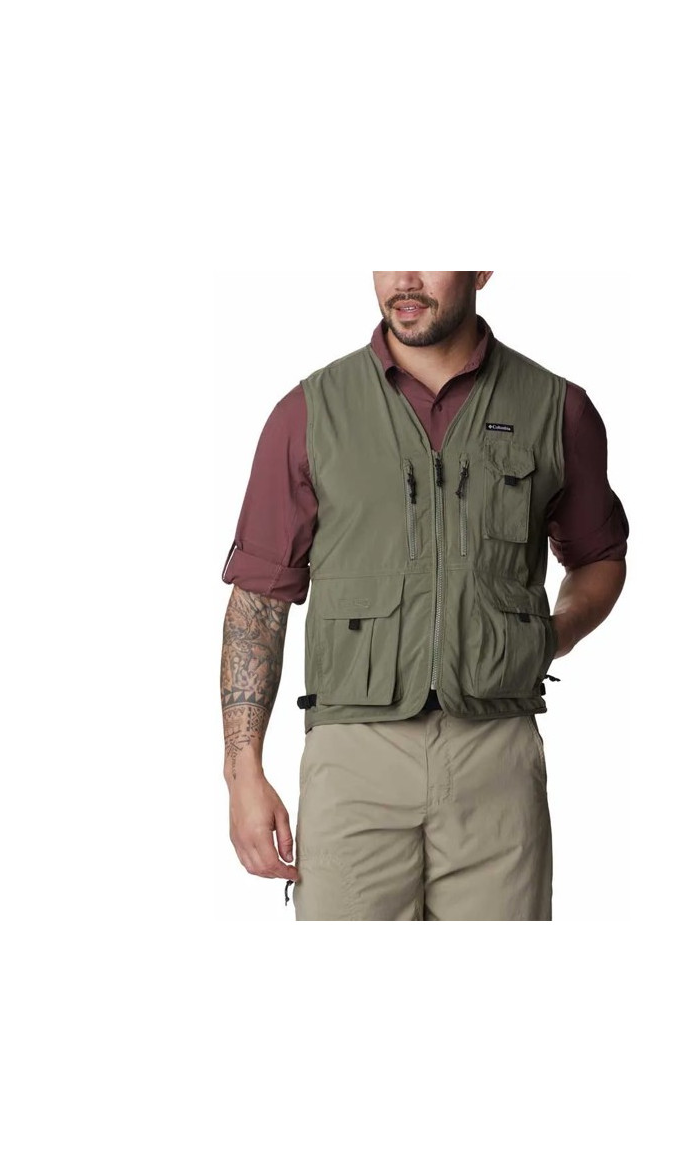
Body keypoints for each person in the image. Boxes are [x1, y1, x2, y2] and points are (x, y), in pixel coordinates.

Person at [219, 272, 628, 920]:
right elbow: (258, 602)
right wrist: (243, 772)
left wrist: (555, 634)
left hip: (496, 756)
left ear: (482, 267)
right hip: (352, 757)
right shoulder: (309, 411)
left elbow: (598, 557)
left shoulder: (556, 408)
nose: (404, 279)